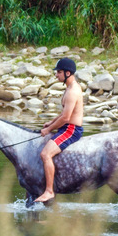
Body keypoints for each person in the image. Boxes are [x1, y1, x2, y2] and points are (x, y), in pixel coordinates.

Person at [36, 57, 84, 204]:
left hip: (71, 129)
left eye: (59, 72)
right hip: (66, 126)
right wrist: (51, 122)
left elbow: (66, 118)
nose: (56, 75)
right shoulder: (70, 88)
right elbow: (63, 114)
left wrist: (49, 129)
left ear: (68, 73)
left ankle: (49, 192)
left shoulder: (72, 91)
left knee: (45, 154)